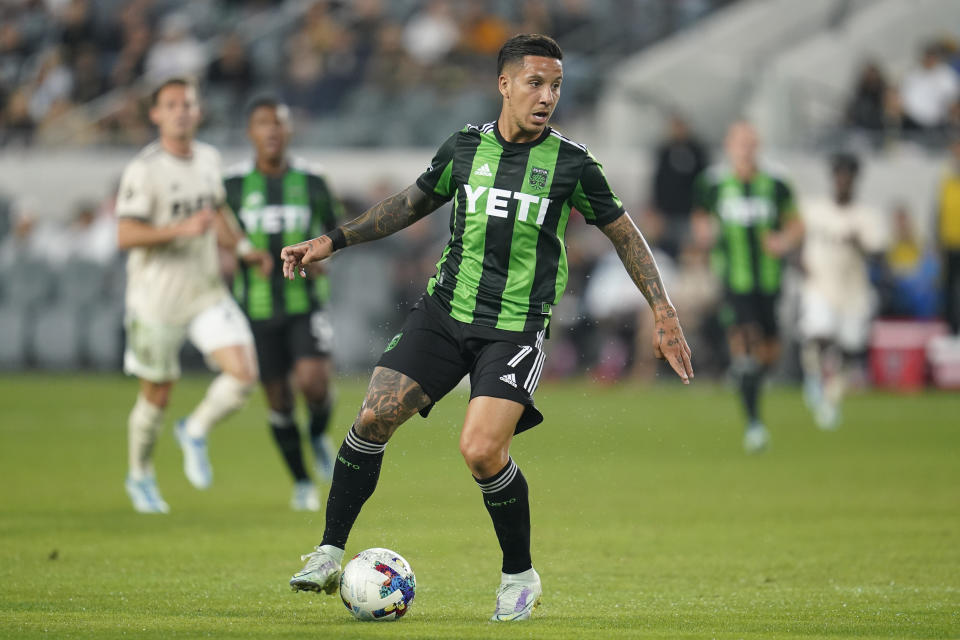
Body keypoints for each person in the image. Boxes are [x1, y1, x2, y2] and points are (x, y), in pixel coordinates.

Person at [278, 34, 693, 622]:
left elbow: (625, 233)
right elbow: (409, 203)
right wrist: (332, 241)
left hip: (515, 330)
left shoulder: (573, 164)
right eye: (535, 83)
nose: (547, 96)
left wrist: (664, 310)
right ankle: (327, 551)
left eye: (555, 86)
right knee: (373, 414)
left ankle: (519, 575)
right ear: (504, 84)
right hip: (444, 312)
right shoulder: (464, 149)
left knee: (479, 451)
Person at [115, 77, 271, 513]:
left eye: (188, 104)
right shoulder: (145, 169)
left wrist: (242, 249)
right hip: (156, 301)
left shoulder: (207, 158)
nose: (182, 111)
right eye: (172, 105)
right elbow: (125, 233)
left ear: (198, 112)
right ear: (156, 115)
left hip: (206, 292)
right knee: (158, 392)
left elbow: (217, 212)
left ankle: (195, 429)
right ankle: (140, 475)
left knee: (242, 375)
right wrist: (177, 230)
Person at [224, 96, 342, 512]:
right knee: (277, 399)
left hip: (304, 300)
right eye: (262, 123)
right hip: (255, 306)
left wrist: (326, 255)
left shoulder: (312, 179)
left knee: (313, 383)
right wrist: (233, 257)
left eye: (279, 123)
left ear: (290, 131)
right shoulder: (233, 185)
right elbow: (221, 236)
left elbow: (335, 231)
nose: (272, 131)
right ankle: (301, 481)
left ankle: (318, 433)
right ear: (250, 132)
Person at [692, 121, 803, 454]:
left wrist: (782, 241)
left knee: (769, 351)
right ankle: (754, 424)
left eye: (751, 143)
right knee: (746, 339)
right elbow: (700, 220)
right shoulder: (713, 183)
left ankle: (748, 381)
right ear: (729, 145)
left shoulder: (777, 183)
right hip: (733, 279)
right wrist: (705, 236)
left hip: (768, 280)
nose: (746, 149)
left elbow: (796, 224)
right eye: (740, 143)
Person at [799, 154, 887, 430]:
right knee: (818, 334)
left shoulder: (866, 216)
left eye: (848, 176)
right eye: (839, 175)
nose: (843, 181)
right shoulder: (813, 210)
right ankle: (813, 378)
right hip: (819, 287)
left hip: (853, 293)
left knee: (848, 351)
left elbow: (880, 254)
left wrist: (859, 243)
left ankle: (830, 401)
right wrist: (799, 264)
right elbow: (793, 241)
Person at [937, 137, 960, 333]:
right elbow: (938, 213)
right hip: (950, 243)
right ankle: (952, 328)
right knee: (949, 288)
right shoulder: (947, 181)